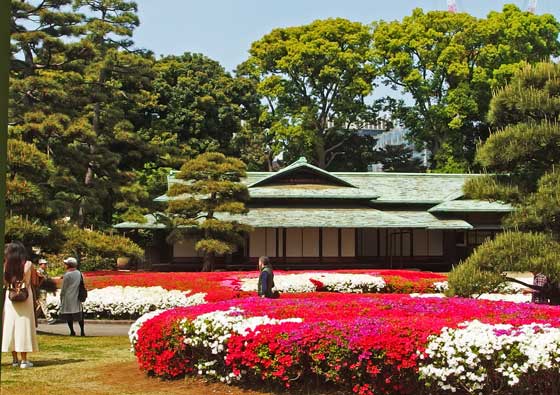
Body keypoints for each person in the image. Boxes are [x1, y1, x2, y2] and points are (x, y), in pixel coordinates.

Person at [2, 241, 39, 368]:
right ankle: (24, 360)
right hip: (25, 296)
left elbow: (4, 282)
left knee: (11, 326)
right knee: (24, 327)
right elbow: (34, 281)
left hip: (10, 297)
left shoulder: (6, 266)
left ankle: (14, 359)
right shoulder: (28, 264)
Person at [59, 257, 85, 336]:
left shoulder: (67, 275)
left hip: (68, 296)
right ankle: (82, 331)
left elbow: (64, 288)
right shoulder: (79, 273)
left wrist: (61, 296)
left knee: (69, 315)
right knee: (80, 314)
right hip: (77, 296)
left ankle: (72, 331)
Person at [35, 258, 56, 324]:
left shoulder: (44, 272)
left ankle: (33, 318)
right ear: (40, 264)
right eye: (44, 264)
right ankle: (49, 319)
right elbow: (40, 281)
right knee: (43, 304)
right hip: (41, 290)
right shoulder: (38, 272)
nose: (46, 265)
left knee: (40, 305)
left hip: (43, 290)